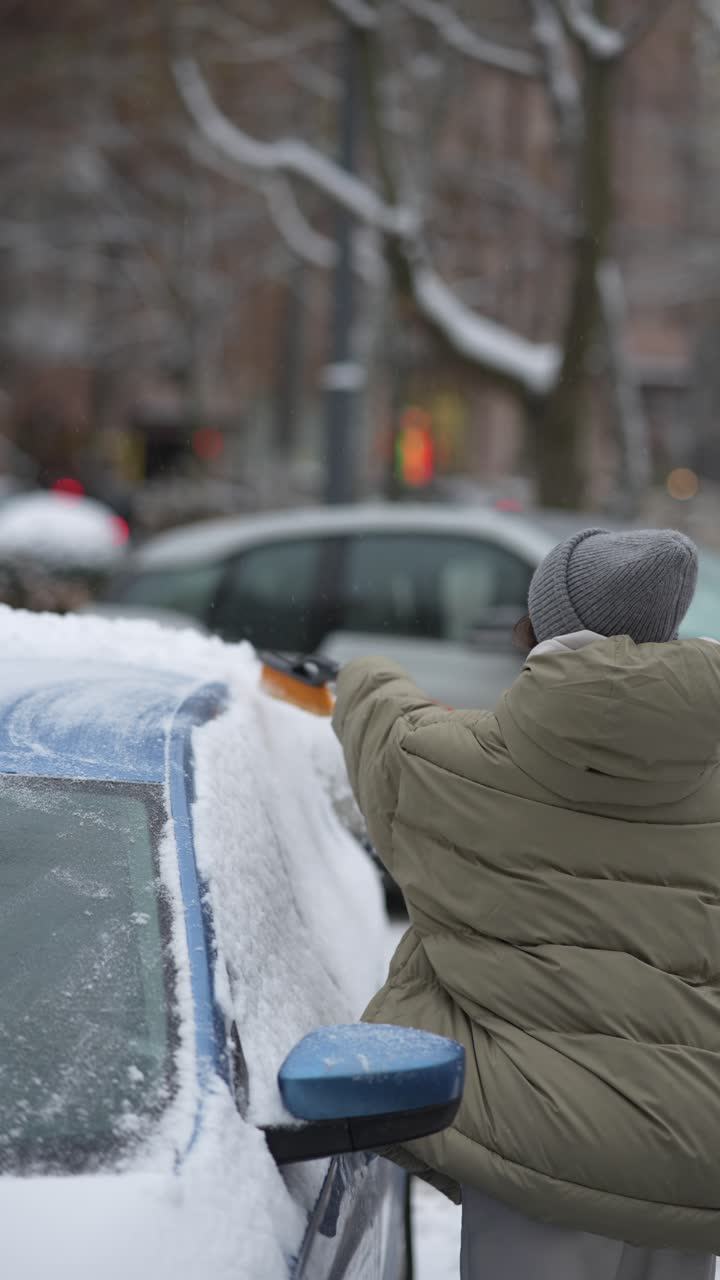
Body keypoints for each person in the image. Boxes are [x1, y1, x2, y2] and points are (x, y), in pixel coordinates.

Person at [331, 528, 719, 1280]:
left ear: (544, 626)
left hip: (538, 1152)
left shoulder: (455, 767)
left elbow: (382, 728)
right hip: (693, 1153)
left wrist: (358, 673)